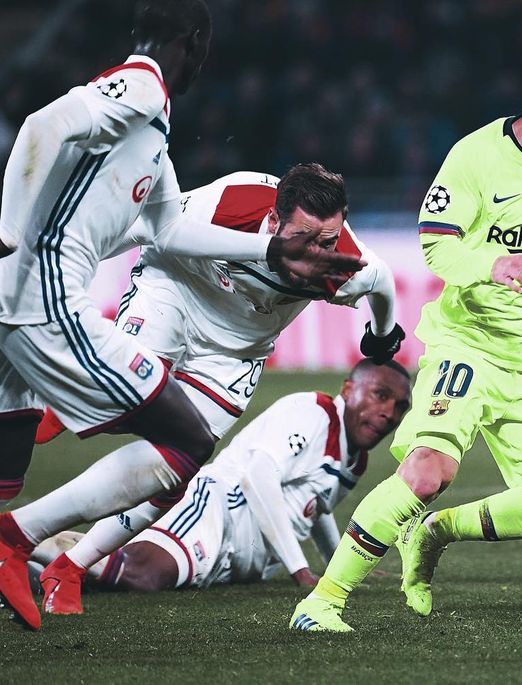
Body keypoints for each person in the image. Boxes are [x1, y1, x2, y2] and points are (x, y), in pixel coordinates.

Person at [0, 0, 362, 631]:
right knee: (188, 439)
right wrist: (8, 232)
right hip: (42, 299)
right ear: (193, 43)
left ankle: (32, 539)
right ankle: (16, 537)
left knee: (8, 449)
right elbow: (39, 126)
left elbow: (163, 228)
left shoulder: (156, 128)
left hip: (43, 299)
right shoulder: (140, 87)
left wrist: (272, 250)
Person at [290, 26, 522, 632]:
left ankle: (433, 534)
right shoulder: (476, 157)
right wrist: (493, 264)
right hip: (469, 346)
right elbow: (435, 248)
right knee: (428, 472)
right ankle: (320, 603)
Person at [27, 162, 405, 616]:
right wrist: (63, 264)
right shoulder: (231, 201)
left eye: (328, 240)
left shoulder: (344, 265)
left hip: (236, 353)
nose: (319, 252)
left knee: (179, 464)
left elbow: (381, 283)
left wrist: (383, 336)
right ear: (272, 222)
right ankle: (57, 405)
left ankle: (69, 566)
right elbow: (149, 229)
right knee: (125, 392)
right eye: (306, 239)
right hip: (176, 289)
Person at [31, 360, 411, 596]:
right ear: (349, 389)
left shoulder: (355, 457)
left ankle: (26, 562)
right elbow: (257, 478)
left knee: (119, 582)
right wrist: (300, 571)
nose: (389, 413)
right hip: (217, 509)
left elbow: (318, 506)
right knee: (139, 575)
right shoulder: (313, 412)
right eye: (380, 395)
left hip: (237, 555)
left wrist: (335, 565)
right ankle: (31, 536)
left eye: (400, 407)